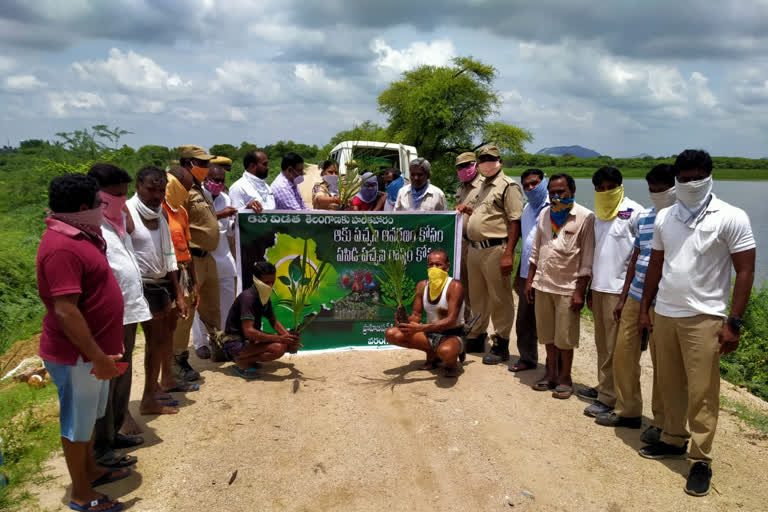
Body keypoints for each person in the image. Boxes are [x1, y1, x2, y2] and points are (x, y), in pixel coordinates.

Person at [637, 150, 755, 497]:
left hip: (705, 317)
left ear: (709, 175)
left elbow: (745, 270)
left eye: (696, 177)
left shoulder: (731, 216)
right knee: (668, 383)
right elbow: (656, 265)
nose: (690, 183)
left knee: (703, 391)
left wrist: (733, 321)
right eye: (683, 178)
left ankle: (700, 459)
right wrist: (645, 309)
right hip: (666, 314)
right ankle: (673, 438)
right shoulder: (666, 217)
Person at [37, 174, 130, 512]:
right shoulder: (60, 248)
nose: (100, 209)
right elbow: (66, 312)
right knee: (77, 422)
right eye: (97, 204)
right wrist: (97, 356)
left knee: (88, 417)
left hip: (93, 354)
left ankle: (90, 470)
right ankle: (81, 494)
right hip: (77, 356)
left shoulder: (80, 236)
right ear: (81, 208)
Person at [595, 165, 676, 440]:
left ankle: (663, 422)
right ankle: (628, 410)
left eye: (662, 189)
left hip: (663, 299)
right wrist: (624, 295)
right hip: (635, 295)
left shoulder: (680, 219)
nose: (657, 195)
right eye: (653, 190)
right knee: (623, 355)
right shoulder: (646, 217)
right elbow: (636, 258)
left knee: (662, 363)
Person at [87, 164, 152, 470]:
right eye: (115, 195)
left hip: (128, 310)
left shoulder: (117, 221)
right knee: (105, 382)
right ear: (97, 195)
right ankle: (100, 447)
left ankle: (113, 433)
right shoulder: (90, 226)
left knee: (123, 374)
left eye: (124, 194)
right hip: (107, 317)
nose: (121, 200)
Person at [579, 167, 643, 418]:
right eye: (599, 188)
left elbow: (640, 256)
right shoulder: (598, 215)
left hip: (621, 293)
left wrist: (628, 294)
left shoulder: (634, 213)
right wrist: (590, 291)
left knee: (621, 350)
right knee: (603, 345)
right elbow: (596, 254)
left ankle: (620, 402)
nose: (605, 192)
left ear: (620, 186)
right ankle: (606, 390)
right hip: (599, 288)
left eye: (609, 187)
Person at [526, 173, 595, 399]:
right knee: (547, 335)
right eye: (552, 192)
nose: (556, 196)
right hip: (543, 284)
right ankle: (550, 374)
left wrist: (580, 291)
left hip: (567, 287)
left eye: (561, 192)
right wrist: (530, 281)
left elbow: (586, 259)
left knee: (565, 338)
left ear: (572, 192)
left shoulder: (585, 217)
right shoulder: (546, 213)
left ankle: (565, 378)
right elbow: (536, 250)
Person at [126, 167, 188, 414]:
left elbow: (169, 255)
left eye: (161, 190)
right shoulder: (127, 213)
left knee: (160, 342)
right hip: (138, 287)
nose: (156, 195)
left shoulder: (160, 215)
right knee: (136, 348)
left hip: (161, 287)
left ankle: (152, 393)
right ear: (138, 186)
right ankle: (133, 407)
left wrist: (179, 294)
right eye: (151, 189)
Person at [457, 145, 522, 364]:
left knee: (499, 298)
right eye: (482, 159)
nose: (486, 162)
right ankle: (477, 335)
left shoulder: (508, 186)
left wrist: (509, 254)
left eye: (490, 158)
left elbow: (514, 221)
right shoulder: (483, 186)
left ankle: (501, 342)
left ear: (499, 160)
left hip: (496, 249)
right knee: (477, 296)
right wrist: (468, 212)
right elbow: (486, 214)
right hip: (475, 249)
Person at [175, 145, 235, 381]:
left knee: (212, 307)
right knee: (188, 311)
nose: (206, 169)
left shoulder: (198, 189)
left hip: (208, 256)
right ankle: (177, 361)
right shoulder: (180, 189)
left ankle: (218, 346)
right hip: (191, 257)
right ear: (189, 164)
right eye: (202, 165)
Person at [385, 249, 465, 378]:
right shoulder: (422, 285)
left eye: (438, 265)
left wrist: (422, 328)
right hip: (431, 333)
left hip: (452, 334)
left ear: (447, 267)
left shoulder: (454, 286)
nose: (434, 268)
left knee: (446, 351)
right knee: (392, 334)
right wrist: (404, 320)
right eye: (431, 264)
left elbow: (451, 320)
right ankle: (432, 353)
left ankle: (451, 364)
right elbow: (416, 315)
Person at [218, 261, 301, 379]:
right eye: (266, 282)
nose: (270, 285)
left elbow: (274, 322)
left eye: (273, 282)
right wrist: (280, 338)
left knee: (284, 345)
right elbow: (249, 332)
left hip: (249, 341)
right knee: (279, 347)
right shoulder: (248, 298)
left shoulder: (264, 296)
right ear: (256, 280)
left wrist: (289, 338)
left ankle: (248, 358)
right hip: (236, 343)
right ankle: (241, 361)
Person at [192, 164, 238, 359]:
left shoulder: (226, 199)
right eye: (214, 179)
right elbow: (196, 223)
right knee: (200, 303)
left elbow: (228, 231)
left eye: (221, 180)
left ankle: (224, 342)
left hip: (223, 258)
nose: (218, 184)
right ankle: (201, 343)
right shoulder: (196, 197)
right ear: (205, 179)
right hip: (202, 259)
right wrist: (220, 215)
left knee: (227, 304)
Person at [509, 168, 549, 373]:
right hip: (527, 273)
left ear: (544, 182)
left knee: (550, 321)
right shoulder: (526, 209)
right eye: (526, 185)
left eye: (535, 183)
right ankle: (527, 357)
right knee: (525, 319)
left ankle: (555, 365)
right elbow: (525, 246)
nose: (530, 188)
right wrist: (518, 274)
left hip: (549, 275)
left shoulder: (555, 206)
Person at [454, 152, 481, 324]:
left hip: (476, 244)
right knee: (462, 285)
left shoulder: (483, 187)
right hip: (461, 243)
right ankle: (466, 323)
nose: (464, 170)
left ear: (475, 165)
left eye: (467, 165)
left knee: (476, 288)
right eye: (460, 167)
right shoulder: (460, 188)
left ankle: (478, 328)